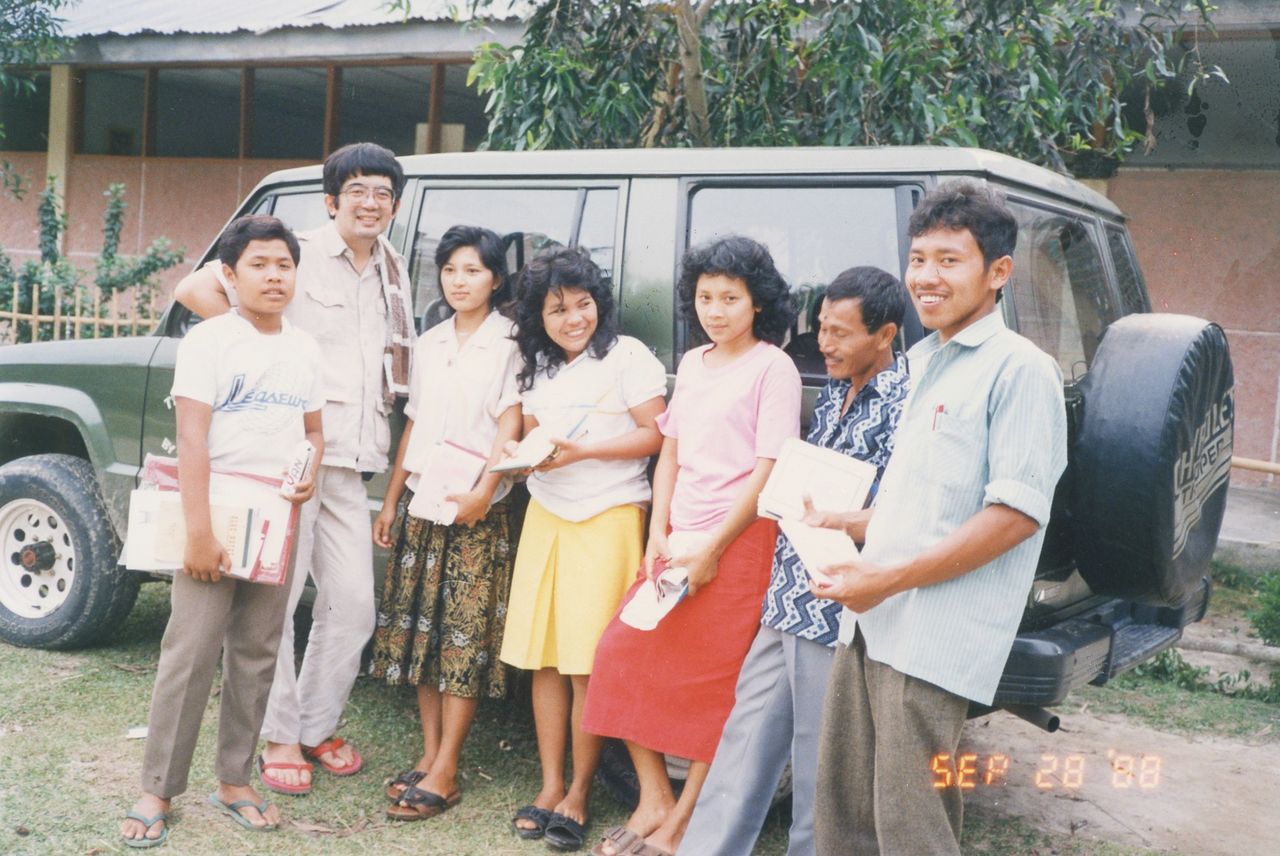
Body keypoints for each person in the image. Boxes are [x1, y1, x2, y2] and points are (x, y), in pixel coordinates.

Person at [806, 182, 1068, 856]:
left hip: (930, 638)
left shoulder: (1020, 372)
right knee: (845, 816)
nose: (926, 276)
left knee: (910, 826)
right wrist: (851, 522)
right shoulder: (925, 363)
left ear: (998, 271)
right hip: (873, 623)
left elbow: (1014, 516)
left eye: (949, 260)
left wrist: (886, 580)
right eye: (918, 258)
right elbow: (931, 500)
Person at [172, 143, 414, 794]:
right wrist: (260, 344)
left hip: (351, 459)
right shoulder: (293, 254)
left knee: (355, 606)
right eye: (357, 191)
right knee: (272, 610)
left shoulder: (392, 268)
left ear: (394, 205)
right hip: (288, 459)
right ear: (331, 201)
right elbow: (192, 288)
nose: (370, 203)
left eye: (382, 193)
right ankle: (279, 736)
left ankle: (314, 726)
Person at [677, 266, 910, 856]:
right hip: (787, 593)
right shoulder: (834, 389)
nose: (822, 343)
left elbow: (907, 513)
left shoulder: (907, 403)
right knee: (745, 739)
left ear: (885, 335)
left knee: (820, 759)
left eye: (839, 333)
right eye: (821, 327)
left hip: (838, 603)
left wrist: (846, 523)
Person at [582, 235, 802, 856]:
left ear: (758, 303)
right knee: (619, 655)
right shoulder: (695, 362)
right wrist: (658, 532)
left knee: (715, 687)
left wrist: (713, 548)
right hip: (677, 540)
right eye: (706, 297)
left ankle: (681, 824)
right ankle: (655, 797)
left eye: (730, 298)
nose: (716, 310)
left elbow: (769, 469)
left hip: (740, 542)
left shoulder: (773, 368)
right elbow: (671, 454)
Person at [120, 215, 324, 848]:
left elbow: (313, 432)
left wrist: (308, 474)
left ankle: (234, 780)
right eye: (259, 265)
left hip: (276, 520)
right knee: (190, 652)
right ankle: (157, 789)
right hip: (215, 514)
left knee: (258, 653)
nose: (274, 276)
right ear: (230, 276)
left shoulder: (305, 347)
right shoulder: (210, 341)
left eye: (284, 265)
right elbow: (192, 438)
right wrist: (199, 533)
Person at [499, 248, 668, 850]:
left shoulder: (628, 356)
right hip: (548, 512)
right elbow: (527, 436)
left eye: (583, 304)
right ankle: (549, 785)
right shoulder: (536, 367)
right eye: (557, 309)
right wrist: (521, 458)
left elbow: (656, 435)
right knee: (545, 658)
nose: (574, 319)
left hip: (608, 513)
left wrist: (584, 452)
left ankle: (579, 790)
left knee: (586, 665)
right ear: (537, 318)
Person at [368, 224, 523, 821]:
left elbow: (511, 422)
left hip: (475, 508)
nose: (460, 281)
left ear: (496, 279)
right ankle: (430, 755)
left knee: (462, 637)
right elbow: (416, 424)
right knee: (423, 633)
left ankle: (449, 768)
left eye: (473, 270)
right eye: (451, 269)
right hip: (423, 501)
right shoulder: (429, 343)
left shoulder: (510, 343)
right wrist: (391, 501)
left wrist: (485, 490)